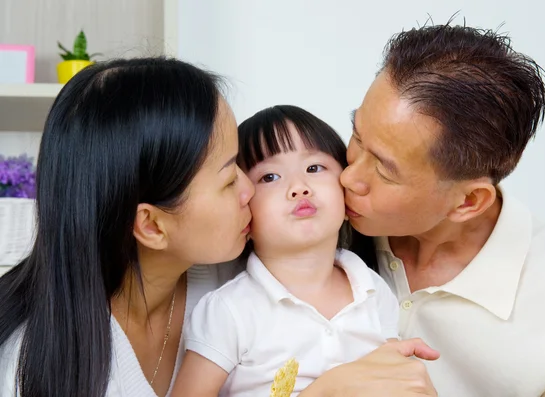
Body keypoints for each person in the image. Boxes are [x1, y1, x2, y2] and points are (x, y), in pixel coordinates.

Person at [0, 58, 438, 397]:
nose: (253, 191)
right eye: (231, 177)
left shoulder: (234, 265)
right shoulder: (40, 365)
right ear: (151, 226)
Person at [342, 23, 545, 396]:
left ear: (468, 202)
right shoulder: (316, 208)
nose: (349, 177)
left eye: (383, 169)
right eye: (357, 135)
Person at [171, 105, 440, 397]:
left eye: (314, 168)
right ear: (243, 204)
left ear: (346, 190)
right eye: (270, 177)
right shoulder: (229, 310)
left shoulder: (373, 290)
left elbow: (391, 381)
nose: (299, 187)